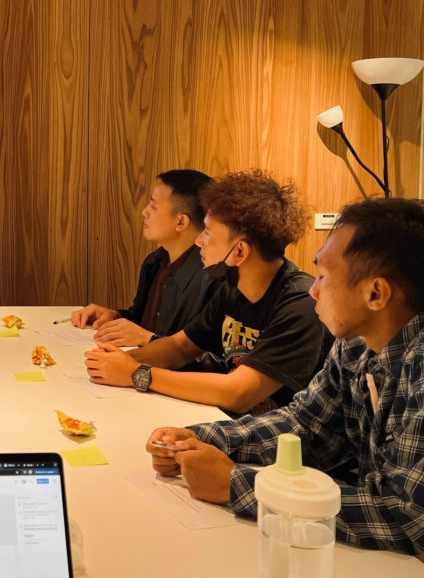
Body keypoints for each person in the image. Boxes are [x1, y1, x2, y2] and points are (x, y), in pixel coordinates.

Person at [146, 198, 424, 557]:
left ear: (375, 293)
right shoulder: (356, 345)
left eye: (324, 276)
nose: (314, 290)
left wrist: (239, 485)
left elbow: (408, 514)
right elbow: (307, 426)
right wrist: (201, 437)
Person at [84, 170, 333, 415]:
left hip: (279, 443)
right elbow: (180, 347)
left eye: (209, 235)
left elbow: (238, 394)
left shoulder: (300, 304)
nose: (199, 241)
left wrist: (135, 373)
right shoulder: (233, 289)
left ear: (239, 252)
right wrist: (112, 361)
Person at [72, 169, 217, 348]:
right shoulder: (155, 261)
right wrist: (115, 316)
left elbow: (200, 353)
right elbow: (144, 322)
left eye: (154, 207)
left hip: (163, 372)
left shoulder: (211, 276)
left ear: (181, 222)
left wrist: (149, 340)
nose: (144, 212)